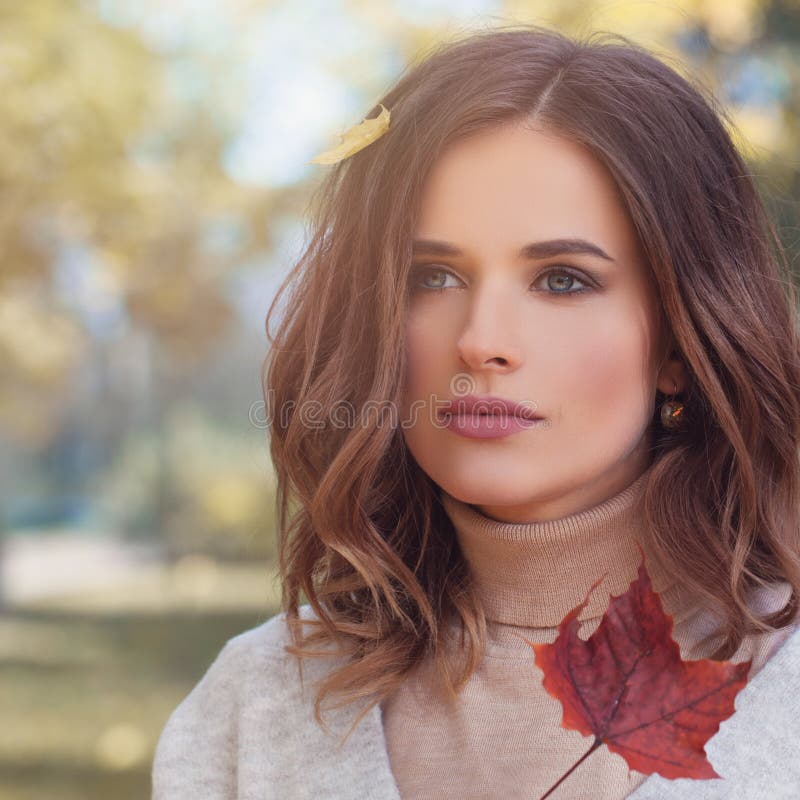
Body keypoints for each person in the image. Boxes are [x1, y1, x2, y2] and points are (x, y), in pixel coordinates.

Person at [151, 23, 800, 800]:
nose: (482, 342)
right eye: (432, 277)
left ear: (677, 343)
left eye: (562, 280)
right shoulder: (254, 708)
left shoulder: (780, 688)